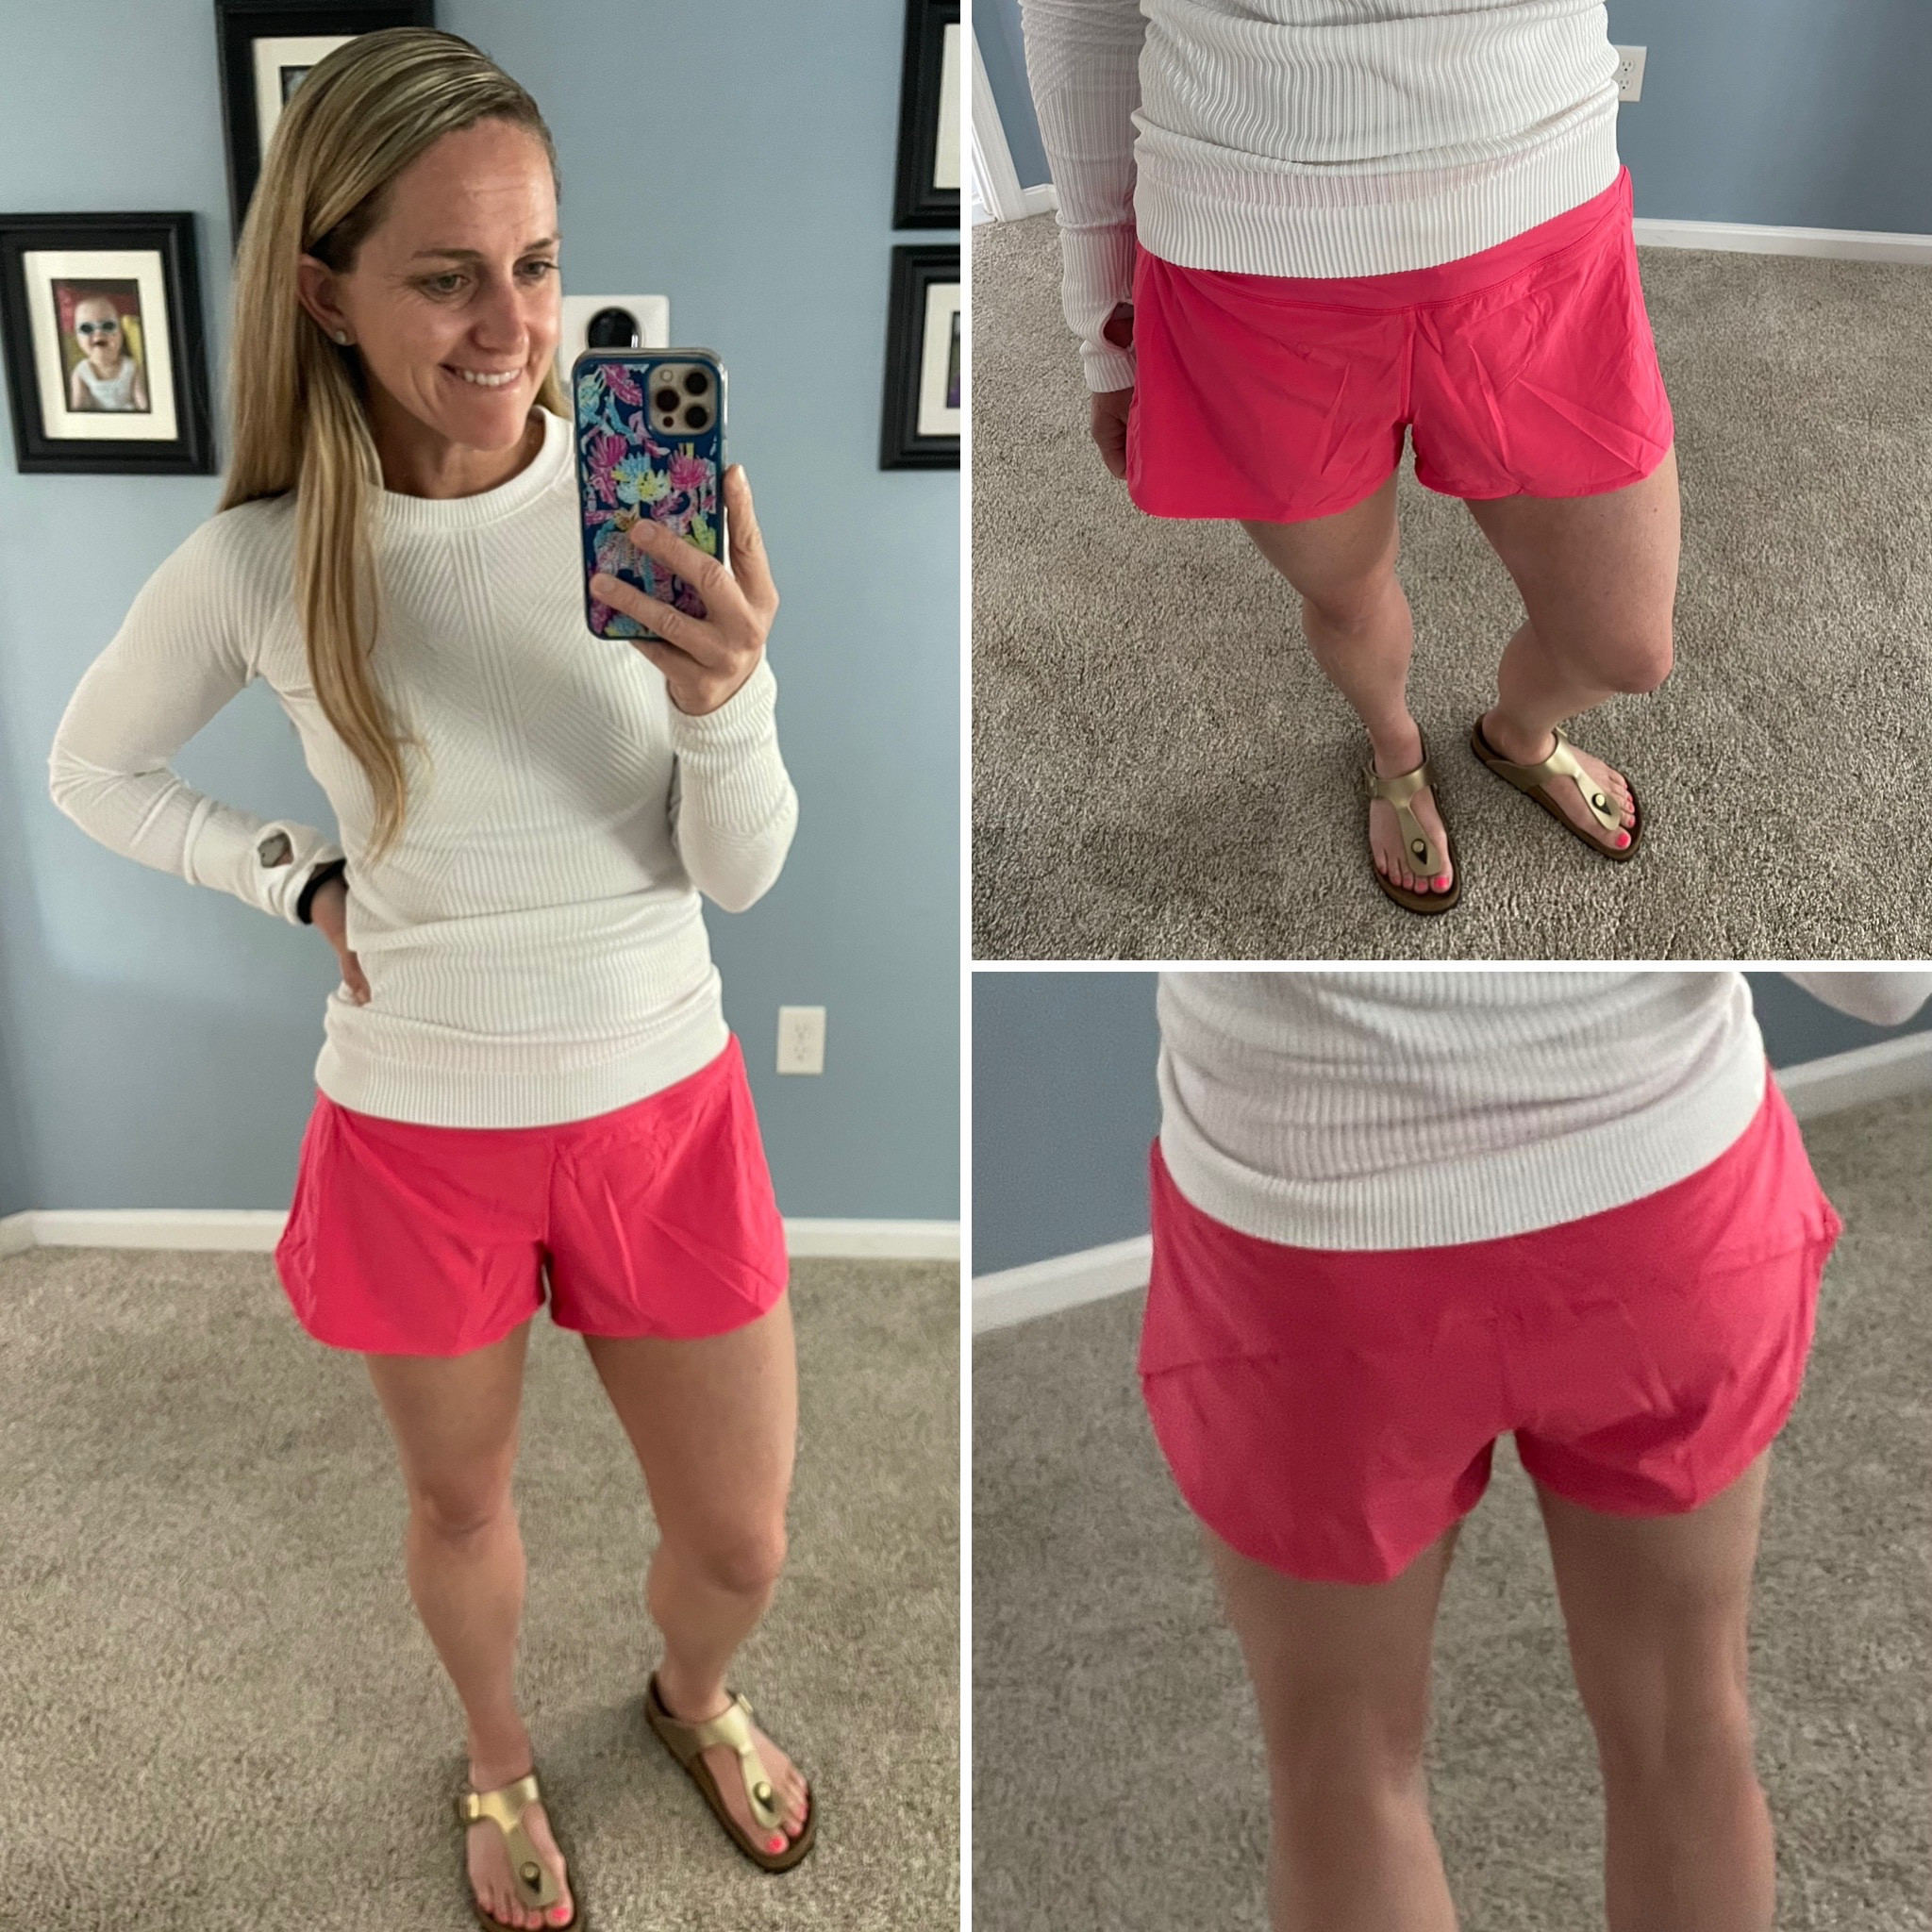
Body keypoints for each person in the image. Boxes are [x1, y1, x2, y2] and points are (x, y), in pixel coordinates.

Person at [47, 29, 814, 1930]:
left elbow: (743, 868)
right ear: (324, 291)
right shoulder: (259, 561)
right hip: (419, 1126)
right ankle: (494, 1753)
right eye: (449, 275)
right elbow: (91, 769)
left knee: (740, 1537)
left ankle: (690, 1695)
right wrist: (291, 876)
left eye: (537, 264)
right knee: (462, 1506)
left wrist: (727, 697)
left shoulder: (647, 502)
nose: (512, 325)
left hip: (660, 1098)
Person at [1141, 968, 1932, 1932]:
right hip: (1662, 1198)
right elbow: (1885, 985)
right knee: (1685, 1725)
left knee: (1341, 1774)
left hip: (1309, 1233)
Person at [1018, 0, 1675, 915]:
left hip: (1541, 212)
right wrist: (1104, 325)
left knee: (1625, 645)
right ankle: (1392, 746)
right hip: (1248, 249)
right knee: (1347, 594)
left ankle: (1520, 733)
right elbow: (1080, 17)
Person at [67, 293, 149, 412]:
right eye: (87, 328)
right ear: (77, 338)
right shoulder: (81, 372)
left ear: (121, 333)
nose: (98, 332)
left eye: (108, 326)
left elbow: (142, 402)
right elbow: (78, 409)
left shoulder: (131, 367)